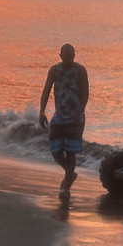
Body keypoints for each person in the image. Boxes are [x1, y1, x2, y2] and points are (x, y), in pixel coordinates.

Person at [39, 43, 89, 198]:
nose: (69, 58)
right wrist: (41, 112)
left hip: (76, 116)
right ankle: (70, 173)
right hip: (59, 115)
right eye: (66, 55)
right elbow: (46, 90)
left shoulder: (80, 70)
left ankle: (65, 187)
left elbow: (86, 94)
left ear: (75, 55)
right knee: (55, 150)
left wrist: (78, 112)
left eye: (72, 55)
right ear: (60, 56)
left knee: (71, 153)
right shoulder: (54, 70)